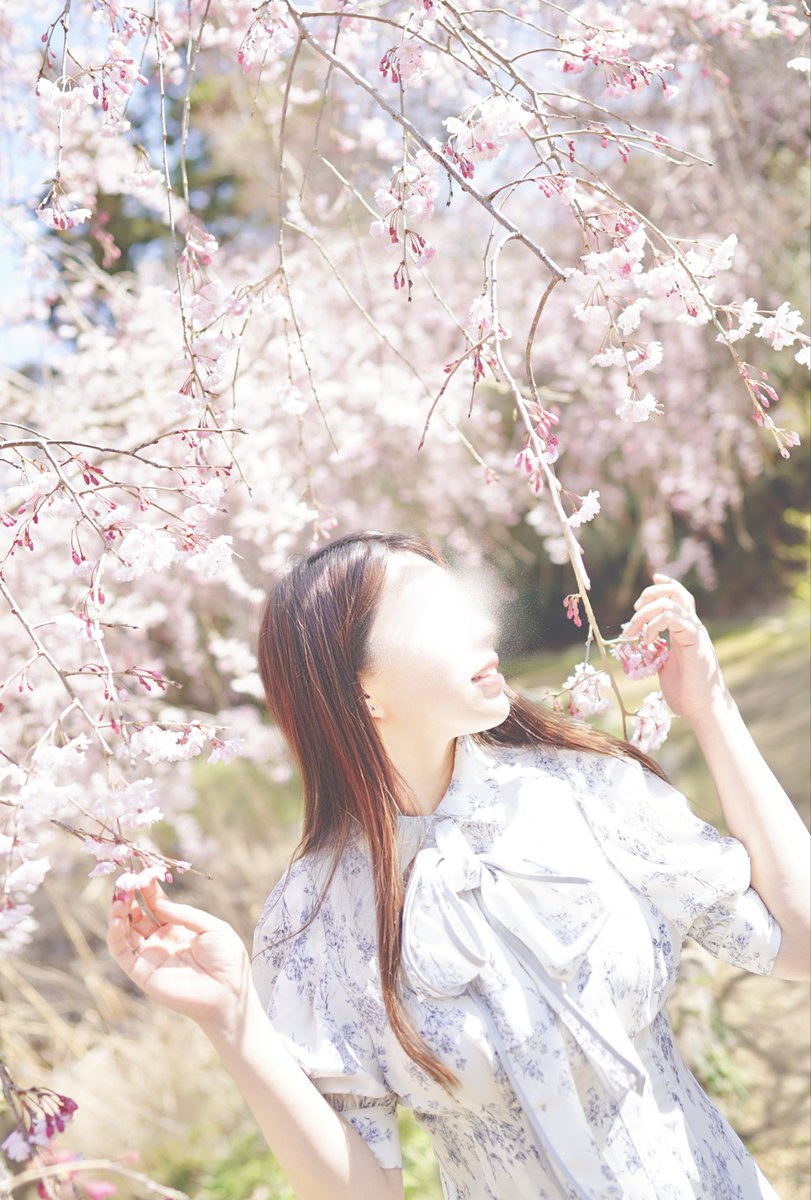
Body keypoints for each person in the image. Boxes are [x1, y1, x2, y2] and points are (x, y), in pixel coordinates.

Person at [107, 531, 810, 1200]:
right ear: (359, 691)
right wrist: (233, 1022)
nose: (482, 629)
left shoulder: (582, 789)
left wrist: (711, 709)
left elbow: (797, 942)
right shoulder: (313, 919)